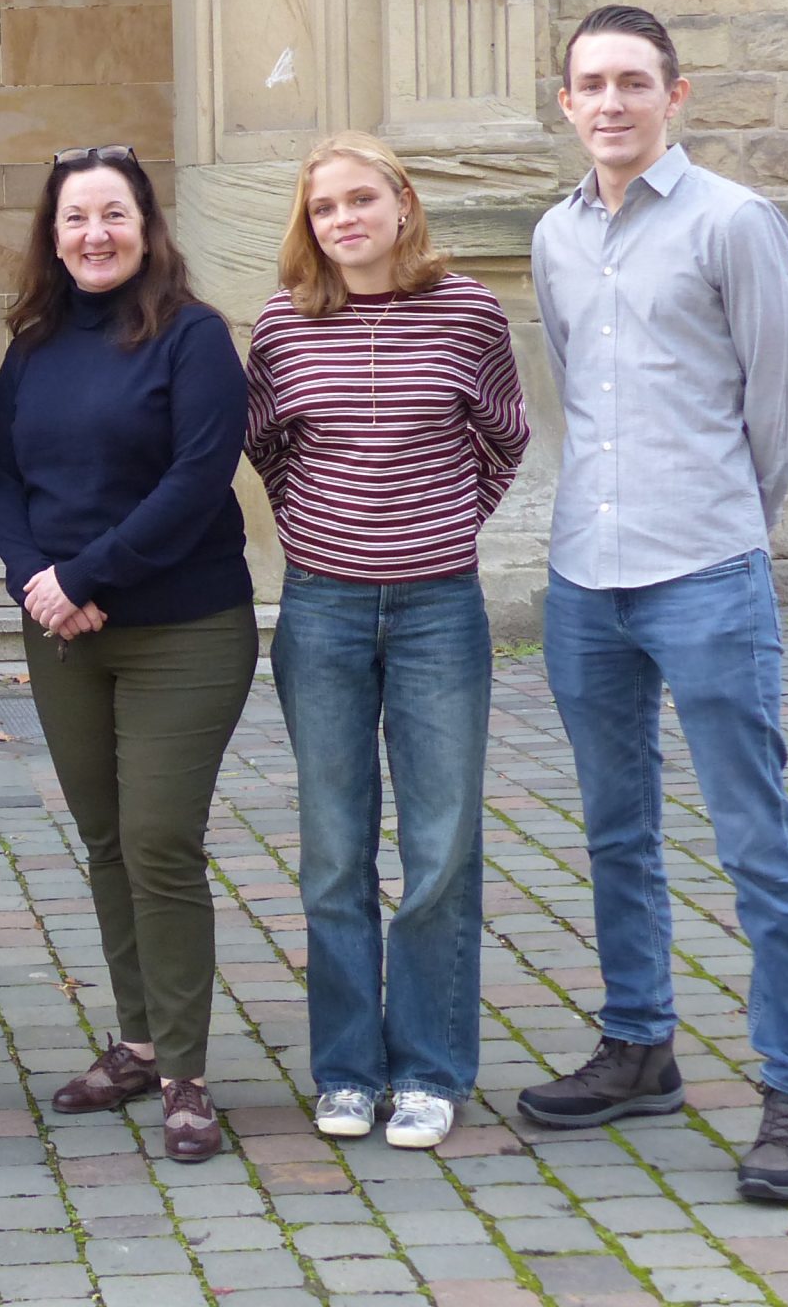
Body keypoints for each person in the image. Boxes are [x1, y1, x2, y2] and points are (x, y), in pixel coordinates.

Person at [520, 3, 788, 1204]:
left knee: (755, 841)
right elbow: (568, 382)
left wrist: (727, 518)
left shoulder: (732, 223)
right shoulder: (554, 236)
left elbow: (780, 397)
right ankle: (638, 1045)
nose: (610, 103)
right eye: (590, 84)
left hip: (704, 567)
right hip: (583, 581)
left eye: (632, 83)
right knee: (614, 829)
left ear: (675, 95)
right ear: (565, 103)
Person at [246, 132, 528, 1153]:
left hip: (436, 610)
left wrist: (442, 523)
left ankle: (429, 1068)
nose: (345, 221)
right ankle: (348, 1071)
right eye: (325, 208)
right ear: (308, 224)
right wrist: (324, 533)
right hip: (320, 610)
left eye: (361, 200)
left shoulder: (468, 312)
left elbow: (503, 437)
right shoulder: (283, 325)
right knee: (333, 851)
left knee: (440, 846)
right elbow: (269, 448)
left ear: (402, 203)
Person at [0, 145, 256, 1161]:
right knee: (105, 838)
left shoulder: (192, 339)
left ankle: (185, 1072)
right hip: (62, 628)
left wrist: (85, 575)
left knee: (157, 838)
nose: (93, 234)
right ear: (52, 238)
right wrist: (33, 580)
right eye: (73, 219)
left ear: (146, 226)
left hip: (181, 627)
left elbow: (196, 479)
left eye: (112, 215)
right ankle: (138, 1040)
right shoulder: (36, 341)